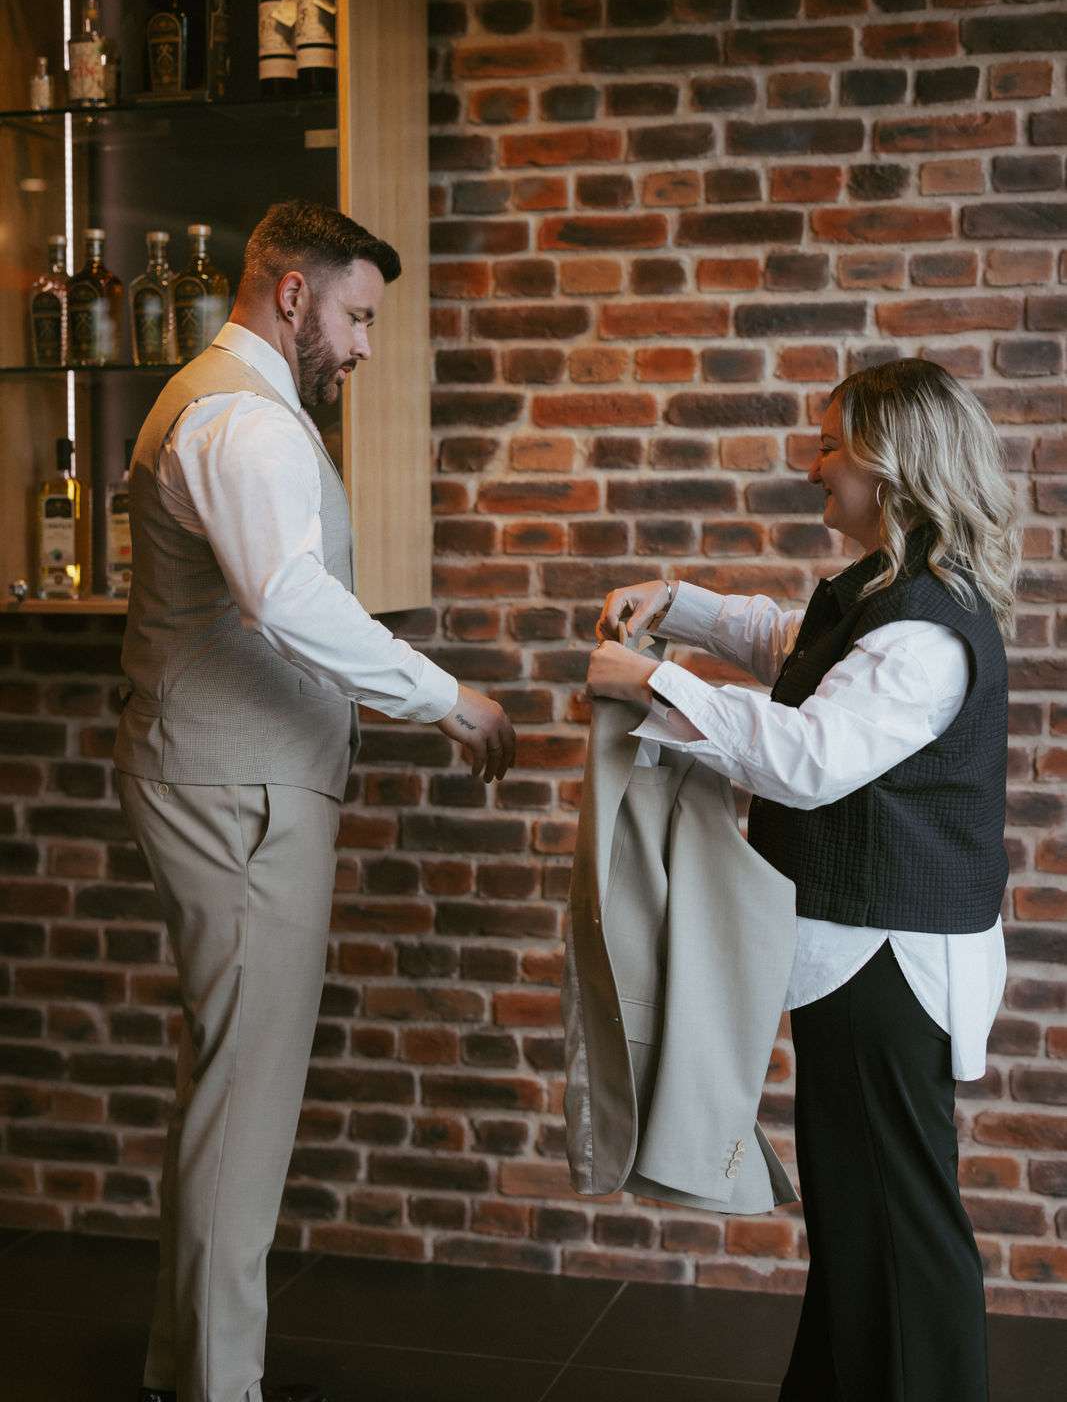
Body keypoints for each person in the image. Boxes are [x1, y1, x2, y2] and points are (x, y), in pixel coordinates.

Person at [115, 199, 515, 1402]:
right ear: (290, 293)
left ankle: (184, 1366)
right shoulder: (243, 418)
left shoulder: (221, 398)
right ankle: (217, 1388)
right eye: (353, 314)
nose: (362, 344)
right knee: (248, 1097)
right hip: (239, 798)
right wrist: (448, 698)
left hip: (220, 777)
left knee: (228, 1085)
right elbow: (286, 599)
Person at [589, 357, 1019, 1402]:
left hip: (886, 963)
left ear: (887, 463)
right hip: (861, 958)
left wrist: (655, 679)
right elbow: (795, 645)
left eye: (827, 444)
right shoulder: (886, 594)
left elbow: (806, 755)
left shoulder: (921, 629)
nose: (808, 463)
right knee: (859, 1212)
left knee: (891, 1221)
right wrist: (683, 607)